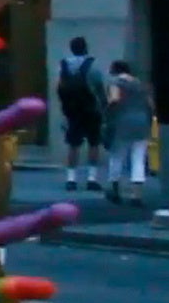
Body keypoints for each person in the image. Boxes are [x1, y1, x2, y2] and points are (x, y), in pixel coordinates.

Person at [55, 37, 105, 192]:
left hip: (72, 110)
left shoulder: (63, 65)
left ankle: (71, 179)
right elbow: (99, 87)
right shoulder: (92, 65)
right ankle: (92, 178)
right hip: (91, 109)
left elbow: (59, 87)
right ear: (85, 48)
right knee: (94, 143)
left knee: (73, 144)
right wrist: (104, 106)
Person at [103, 60, 153, 204]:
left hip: (122, 122)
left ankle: (114, 188)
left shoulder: (116, 82)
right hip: (141, 121)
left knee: (117, 155)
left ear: (114, 70)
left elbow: (114, 99)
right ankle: (136, 195)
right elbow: (150, 104)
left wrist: (106, 113)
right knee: (138, 158)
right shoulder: (140, 84)